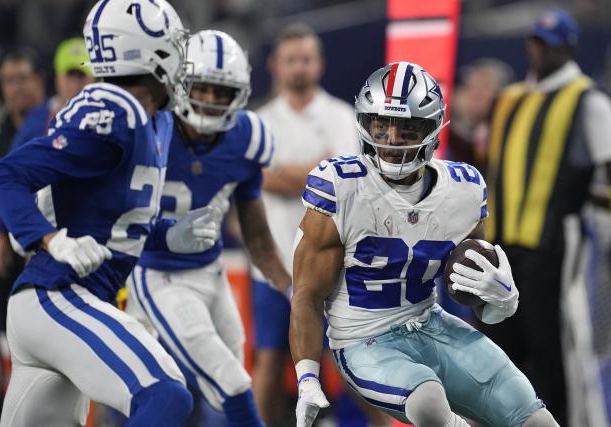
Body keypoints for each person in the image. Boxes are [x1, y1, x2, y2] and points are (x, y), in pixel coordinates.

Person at [0, 1, 217, 425]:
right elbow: (2, 176)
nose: (184, 58)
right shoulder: (113, 112)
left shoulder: (153, 120)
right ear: (147, 53)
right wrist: (49, 237)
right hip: (58, 294)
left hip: (61, 304)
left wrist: (165, 234)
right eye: (175, 45)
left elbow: (113, 223)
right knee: (165, 395)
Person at [290, 61, 559, 427]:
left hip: (431, 324)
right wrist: (307, 375)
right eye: (381, 125)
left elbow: (473, 293)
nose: (392, 139)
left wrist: (503, 301)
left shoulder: (463, 189)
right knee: (429, 402)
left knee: (534, 418)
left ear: (432, 131)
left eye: (407, 127)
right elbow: (306, 293)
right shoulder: (341, 187)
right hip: (363, 340)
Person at [126, 29, 291, 427]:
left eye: (223, 91)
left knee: (229, 387)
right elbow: (114, 213)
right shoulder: (149, 128)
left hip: (211, 273)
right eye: (203, 88)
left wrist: (289, 286)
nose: (212, 100)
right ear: (180, 84)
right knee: (227, 382)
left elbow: (254, 228)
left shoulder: (247, 138)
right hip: (158, 271)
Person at [483, 9, 611, 426]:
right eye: (535, 40)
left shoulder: (587, 99)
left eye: (549, 43)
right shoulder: (509, 98)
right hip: (502, 245)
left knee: (553, 345)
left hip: (557, 242)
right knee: (499, 348)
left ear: (569, 47)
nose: (538, 49)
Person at [250, 23, 362, 426]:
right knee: (268, 358)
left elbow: (349, 184)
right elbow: (260, 178)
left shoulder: (343, 116)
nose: (299, 67)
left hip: (332, 264)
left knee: (350, 357)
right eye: (290, 60)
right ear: (275, 66)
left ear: (320, 64)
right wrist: (318, 168)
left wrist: (283, 174)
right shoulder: (258, 121)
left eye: (306, 59)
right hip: (273, 262)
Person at [0, 46, 45, 427]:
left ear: (40, 80)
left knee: (36, 350)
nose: (16, 88)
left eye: (23, 79)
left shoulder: (56, 121)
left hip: (44, 252)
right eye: (8, 81)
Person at [0, 37, 95, 282]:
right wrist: (0, 232)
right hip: (48, 232)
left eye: (82, 76)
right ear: (57, 78)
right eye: (70, 76)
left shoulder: (108, 117)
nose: (76, 84)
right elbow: (8, 174)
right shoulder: (38, 120)